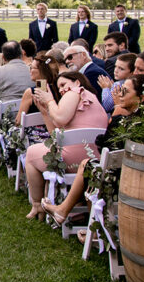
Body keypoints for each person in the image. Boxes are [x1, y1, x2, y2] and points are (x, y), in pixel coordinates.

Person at [43, 74, 144, 224]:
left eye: (125, 92)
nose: (119, 95)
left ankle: (72, 216)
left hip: (122, 178)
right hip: (130, 174)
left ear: (141, 98)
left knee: (88, 166)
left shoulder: (127, 122)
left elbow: (106, 145)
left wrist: (116, 113)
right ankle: (68, 214)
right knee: (88, 164)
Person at [22, 71, 108, 221]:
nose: (61, 89)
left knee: (30, 153)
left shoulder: (75, 92)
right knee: (39, 151)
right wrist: (44, 111)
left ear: (77, 82)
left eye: (63, 84)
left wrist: (50, 101)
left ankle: (37, 205)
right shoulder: (90, 98)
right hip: (93, 159)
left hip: (72, 158)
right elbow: (54, 132)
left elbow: (60, 119)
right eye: (58, 87)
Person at [0, 41, 34, 152]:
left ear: (3, 57)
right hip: (32, 114)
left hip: (8, 117)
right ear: (21, 54)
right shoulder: (32, 70)